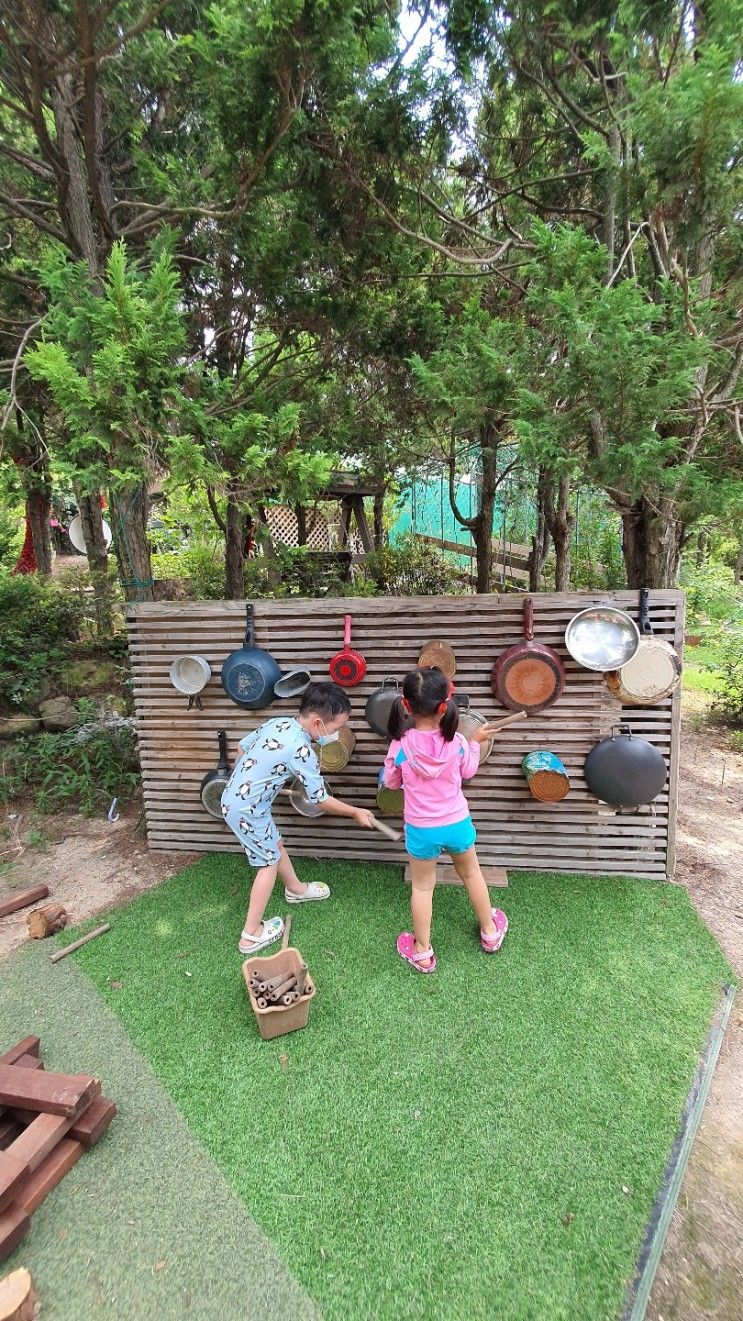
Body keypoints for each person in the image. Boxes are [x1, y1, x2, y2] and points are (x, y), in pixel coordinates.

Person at [221, 682, 375, 954]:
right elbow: (320, 799)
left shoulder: (277, 723)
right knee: (267, 864)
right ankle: (251, 934)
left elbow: (241, 750)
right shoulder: (302, 750)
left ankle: (296, 889)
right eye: (336, 728)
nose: (337, 735)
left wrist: (263, 781)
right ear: (318, 723)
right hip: (247, 810)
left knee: (275, 845)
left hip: (236, 799)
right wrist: (355, 811)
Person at [383, 666, 508, 973]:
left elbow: (390, 783)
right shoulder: (458, 743)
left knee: (423, 887)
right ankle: (490, 933)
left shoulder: (400, 747)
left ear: (406, 705)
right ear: (444, 707)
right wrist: (475, 742)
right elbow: (468, 772)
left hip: (421, 830)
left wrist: (394, 773)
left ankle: (422, 951)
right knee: (472, 875)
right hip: (457, 824)